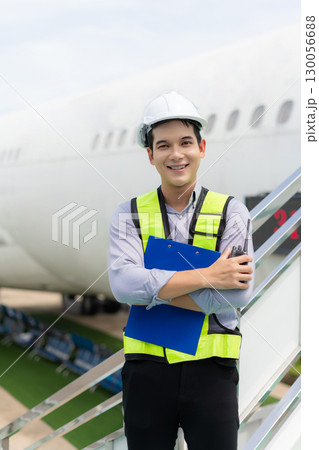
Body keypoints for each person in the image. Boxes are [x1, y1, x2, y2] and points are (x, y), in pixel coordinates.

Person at [108, 91, 255, 450]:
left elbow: (236, 293)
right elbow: (123, 286)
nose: (176, 154)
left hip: (212, 374)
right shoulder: (128, 214)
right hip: (146, 371)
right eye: (164, 145)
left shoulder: (231, 212)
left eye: (185, 142)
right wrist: (207, 276)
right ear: (151, 155)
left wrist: (154, 294)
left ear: (201, 147)